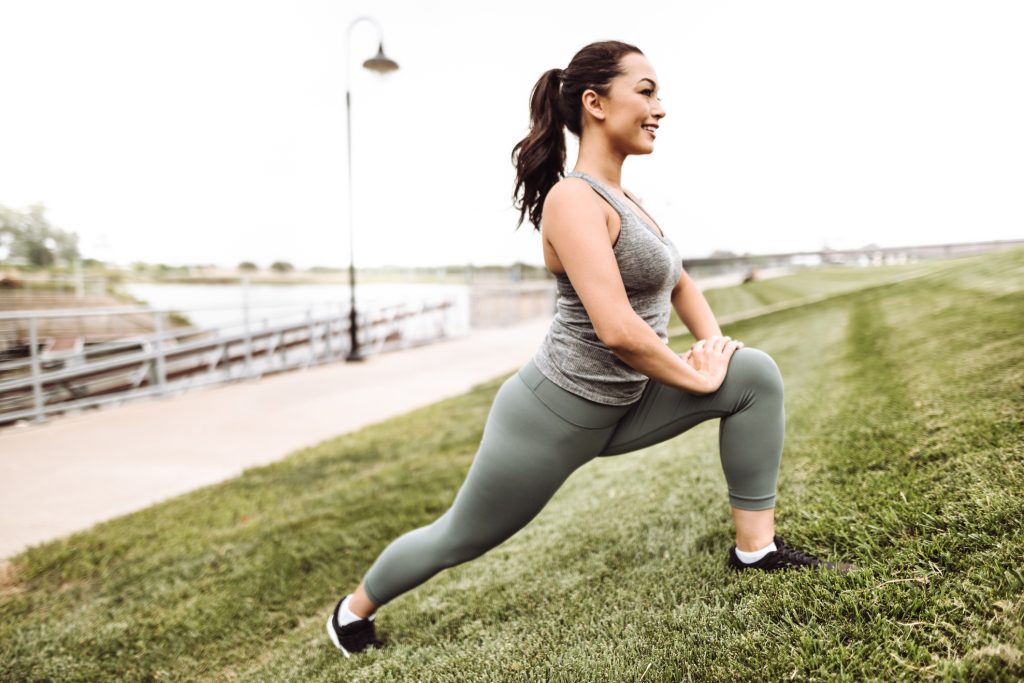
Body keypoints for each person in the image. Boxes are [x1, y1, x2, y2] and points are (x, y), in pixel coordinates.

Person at [327, 39, 851, 657]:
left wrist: (713, 350)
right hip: (553, 415)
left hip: (628, 400)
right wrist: (697, 378)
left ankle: (755, 551)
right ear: (595, 103)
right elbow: (619, 331)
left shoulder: (630, 201)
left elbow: (678, 280)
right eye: (647, 91)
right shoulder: (572, 200)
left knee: (753, 376)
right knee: (459, 537)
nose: (661, 108)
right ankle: (352, 612)